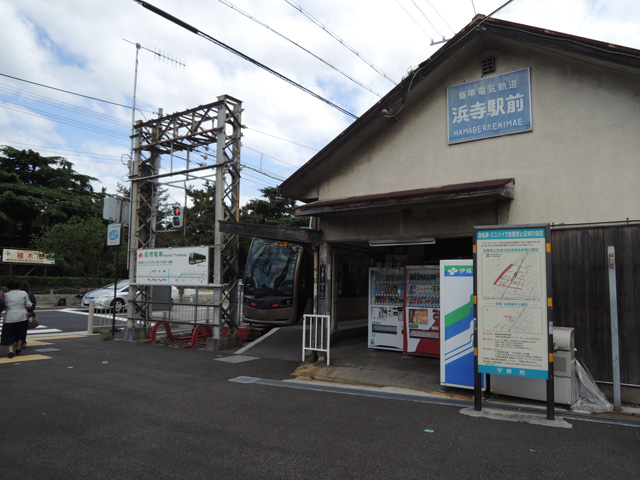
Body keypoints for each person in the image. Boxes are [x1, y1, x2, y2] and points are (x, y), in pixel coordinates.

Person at [1, 278, 32, 358]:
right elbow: (29, 305)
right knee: (20, 333)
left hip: (9, 316)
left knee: (9, 334)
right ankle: (18, 348)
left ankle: (10, 351)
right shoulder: (23, 293)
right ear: (19, 285)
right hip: (21, 316)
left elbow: (4, 305)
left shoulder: (6, 295)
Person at [19, 280, 37, 349]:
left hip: (20, 313)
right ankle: (23, 342)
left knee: (17, 328)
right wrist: (31, 312)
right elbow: (33, 304)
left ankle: (20, 341)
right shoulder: (30, 294)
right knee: (24, 329)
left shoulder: (21, 295)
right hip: (28, 313)